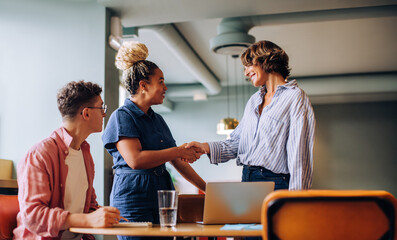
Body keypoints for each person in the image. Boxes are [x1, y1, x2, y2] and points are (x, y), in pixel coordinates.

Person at [102, 41, 206, 240]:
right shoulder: (122, 116)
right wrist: (177, 150)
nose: (165, 87)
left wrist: (207, 189)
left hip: (162, 196)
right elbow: (135, 160)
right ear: (143, 85)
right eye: (161, 81)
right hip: (133, 198)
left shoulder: (157, 119)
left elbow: (177, 161)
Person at [187, 40, 316, 191]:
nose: (246, 72)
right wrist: (204, 147)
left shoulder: (295, 97)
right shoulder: (254, 100)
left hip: (276, 183)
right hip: (247, 178)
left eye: (249, 65)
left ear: (266, 60)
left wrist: (298, 200)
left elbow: (300, 156)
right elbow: (238, 143)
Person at [14, 81, 124, 240]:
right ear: (86, 113)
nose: (104, 114)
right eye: (101, 108)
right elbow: (33, 216)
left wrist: (103, 214)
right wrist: (88, 220)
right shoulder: (39, 154)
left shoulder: (85, 153)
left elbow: (88, 207)